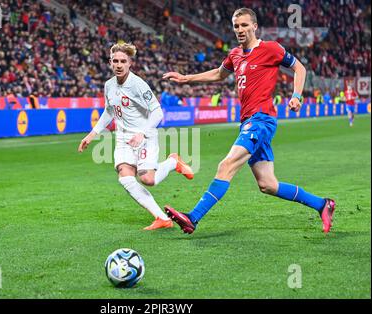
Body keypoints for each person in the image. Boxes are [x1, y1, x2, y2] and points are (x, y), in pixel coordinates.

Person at [162, 8, 335, 235]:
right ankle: (322, 205)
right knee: (268, 184)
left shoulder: (270, 49)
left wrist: (296, 96)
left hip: (261, 120)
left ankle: (192, 218)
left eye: (244, 25)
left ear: (254, 26)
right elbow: (219, 74)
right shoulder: (235, 54)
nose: (240, 30)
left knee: (226, 165)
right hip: (248, 121)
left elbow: (299, 68)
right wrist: (186, 78)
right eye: (236, 26)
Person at [78, 43, 194, 230]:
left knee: (148, 179)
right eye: (115, 61)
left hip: (144, 136)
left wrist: (142, 133)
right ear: (110, 62)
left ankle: (173, 162)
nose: (118, 65)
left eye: (123, 61)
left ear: (130, 63)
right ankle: (162, 218)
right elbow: (109, 111)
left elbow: (157, 112)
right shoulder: (109, 85)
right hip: (123, 139)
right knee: (125, 177)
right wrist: (92, 134)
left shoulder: (138, 85)